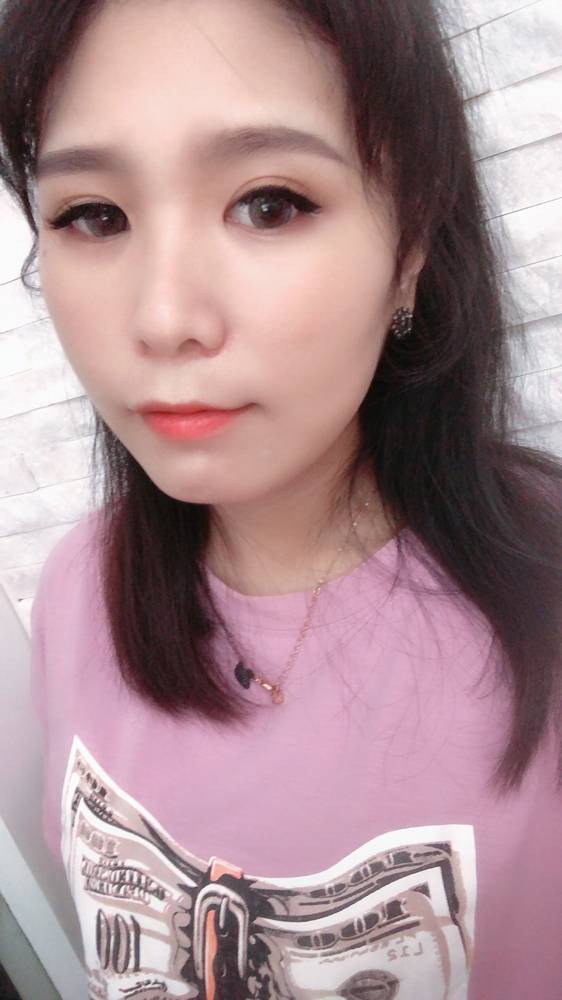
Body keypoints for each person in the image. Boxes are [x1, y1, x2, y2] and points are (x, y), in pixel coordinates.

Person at [1, 0, 561, 997]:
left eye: (268, 203)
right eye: (95, 215)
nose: (163, 316)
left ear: (412, 242)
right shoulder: (81, 583)